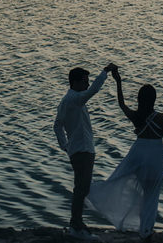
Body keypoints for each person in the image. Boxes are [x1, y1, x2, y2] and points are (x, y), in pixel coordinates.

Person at [86, 66, 163, 241]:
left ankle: (141, 228)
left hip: (138, 155)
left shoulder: (137, 117)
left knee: (120, 181)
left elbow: (121, 104)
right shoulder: (162, 118)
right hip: (155, 158)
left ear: (139, 99)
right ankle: (146, 230)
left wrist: (118, 82)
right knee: (152, 196)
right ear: (154, 99)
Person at [55, 63, 116, 239]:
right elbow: (93, 91)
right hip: (81, 150)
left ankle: (77, 223)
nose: (87, 84)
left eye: (88, 81)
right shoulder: (74, 98)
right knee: (82, 188)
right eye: (85, 81)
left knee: (82, 187)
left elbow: (57, 125)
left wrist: (65, 145)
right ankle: (76, 225)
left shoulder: (68, 100)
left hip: (79, 149)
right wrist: (105, 72)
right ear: (75, 82)